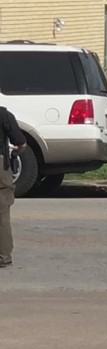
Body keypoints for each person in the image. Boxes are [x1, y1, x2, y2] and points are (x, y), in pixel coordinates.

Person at [1, 103, 28, 269]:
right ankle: (3, 256)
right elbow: (21, 143)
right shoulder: (4, 115)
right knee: (2, 213)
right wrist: (16, 153)